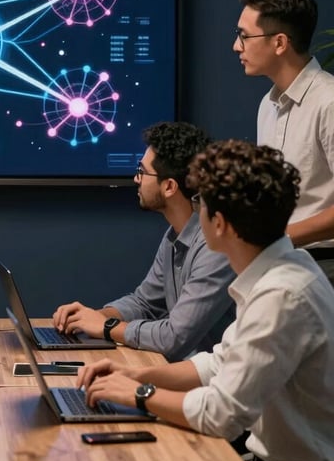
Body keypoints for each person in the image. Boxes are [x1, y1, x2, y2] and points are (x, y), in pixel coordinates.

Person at [77, 140, 334, 461]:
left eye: (201, 204)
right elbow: (217, 363)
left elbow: (220, 415)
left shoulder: (281, 295)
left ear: (220, 224)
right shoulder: (284, 270)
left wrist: (139, 394)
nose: (196, 214)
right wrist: (137, 375)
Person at [52, 121, 235, 361]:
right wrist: (92, 317)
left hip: (213, 379)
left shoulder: (215, 248)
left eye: (142, 171)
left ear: (169, 187)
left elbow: (174, 338)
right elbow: (145, 303)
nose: (136, 178)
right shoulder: (174, 235)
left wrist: (106, 327)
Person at [234, 0, 334, 282]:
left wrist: (276, 237)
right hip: (279, 263)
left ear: (279, 43)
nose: (236, 46)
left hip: (324, 267)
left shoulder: (329, 101)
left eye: (244, 36)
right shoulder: (268, 104)